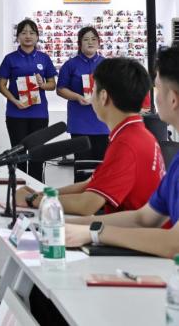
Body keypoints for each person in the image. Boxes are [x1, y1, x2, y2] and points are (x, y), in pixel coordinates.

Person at [65, 46, 179, 258]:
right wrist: (73, 224)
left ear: (173, 99)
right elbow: (143, 219)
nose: (154, 99)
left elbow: (174, 244)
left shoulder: (128, 142)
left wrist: (96, 233)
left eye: (157, 89)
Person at [15, 58, 163, 216]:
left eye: (93, 90)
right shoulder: (135, 133)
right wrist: (40, 194)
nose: (91, 97)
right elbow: (88, 184)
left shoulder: (126, 143)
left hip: (131, 229)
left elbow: (86, 205)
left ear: (103, 96)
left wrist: (33, 200)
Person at [0, 19, 57, 182]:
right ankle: (19, 189)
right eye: (23, 33)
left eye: (32, 33)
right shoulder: (10, 59)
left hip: (39, 114)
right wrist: (14, 101)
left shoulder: (44, 58)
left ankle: (37, 189)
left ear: (37, 37)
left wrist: (42, 85)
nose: (28, 36)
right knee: (19, 155)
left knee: (38, 155)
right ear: (18, 37)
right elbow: (1, 85)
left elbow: (52, 85)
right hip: (16, 114)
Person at [56, 26, 110, 164]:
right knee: (82, 166)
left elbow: (115, 88)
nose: (90, 42)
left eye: (93, 39)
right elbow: (60, 89)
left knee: (102, 167)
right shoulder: (70, 64)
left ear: (98, 42)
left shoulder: (107, 64)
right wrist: (77, 97)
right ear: (80, 43)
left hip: (103, 123)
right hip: (79, 122)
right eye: (86, 39)